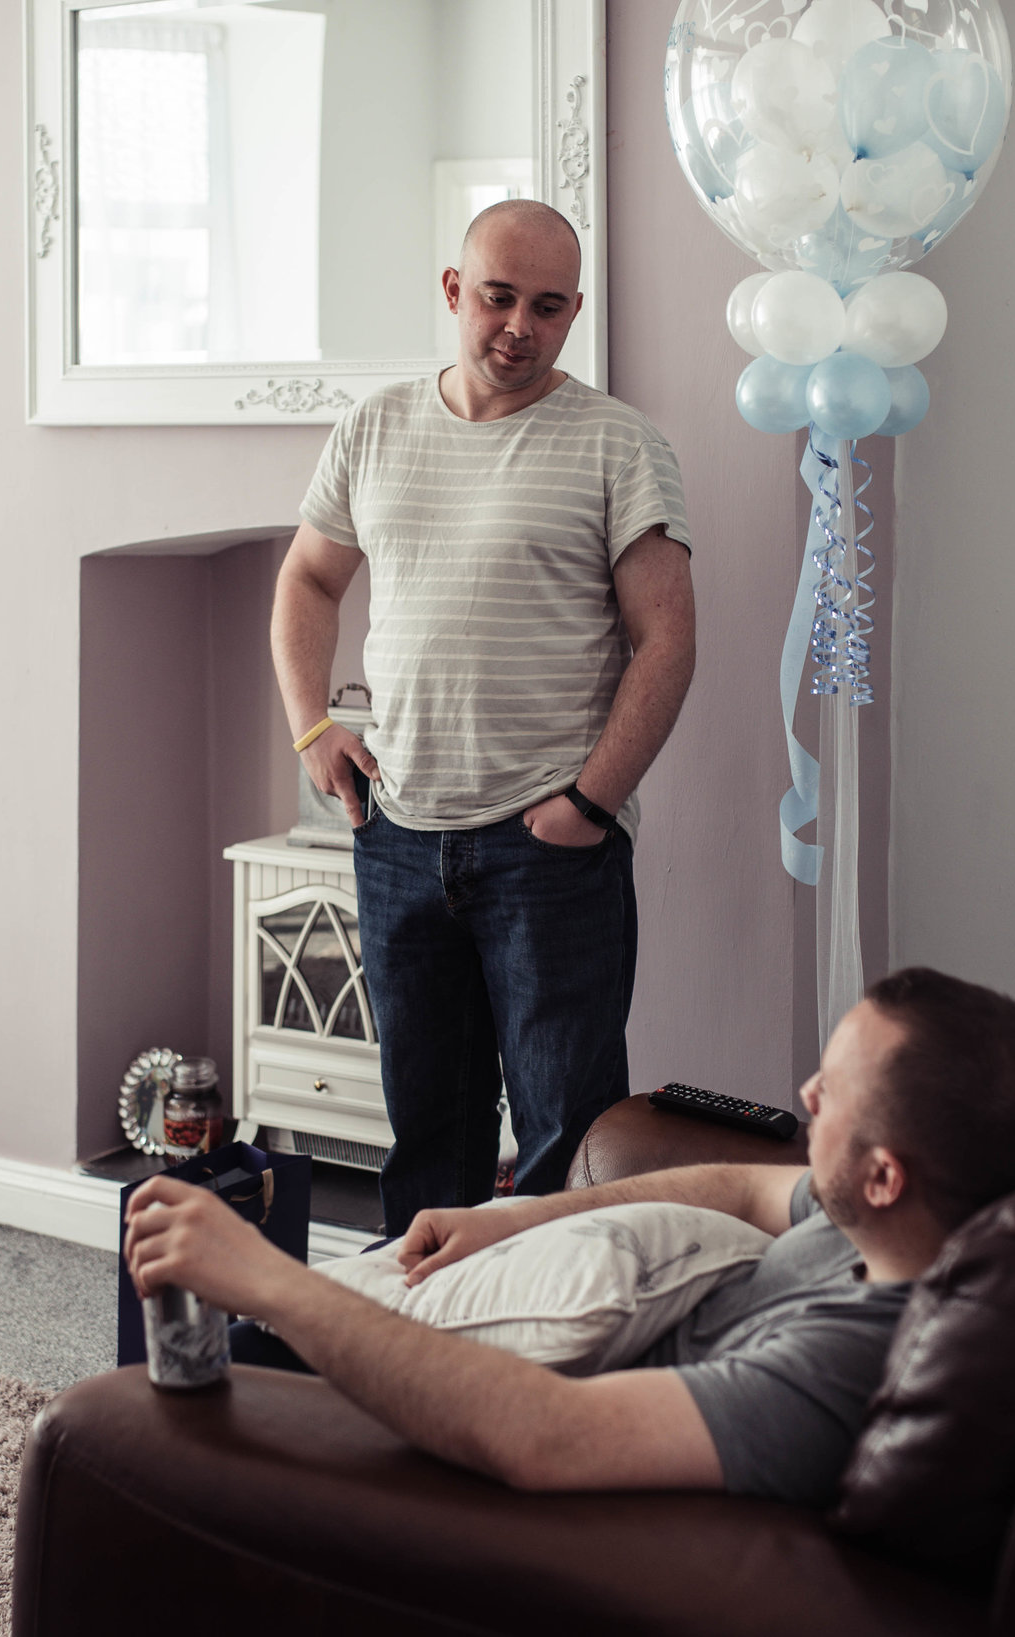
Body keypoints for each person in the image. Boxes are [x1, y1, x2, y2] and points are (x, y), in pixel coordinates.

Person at [122, 967, 1015, 1507]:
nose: (805, 1099)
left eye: (834, 1092)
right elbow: (740, 1181)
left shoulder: (848, 1359)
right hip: (559, 1308)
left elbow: (552, 1439)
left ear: (886, 1175)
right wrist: (508, 1215)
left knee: (192, 1393)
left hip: (531, 1409)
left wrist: (273, 1278)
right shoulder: (894, 1230)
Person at [270, 199, 698, 1233]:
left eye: (547, 307)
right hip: (398, 836)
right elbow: (308, 581)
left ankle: (545, 1369)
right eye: (498, 297)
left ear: (573, 313)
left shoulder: (619, 444)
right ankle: (421, 1351)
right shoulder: (373, 427)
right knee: (427, 1130)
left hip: (546, 848)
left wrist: (589, 803)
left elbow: (668, 641)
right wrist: (313, 728)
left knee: (567, 1135)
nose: (519, 325)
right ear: (455, 291)